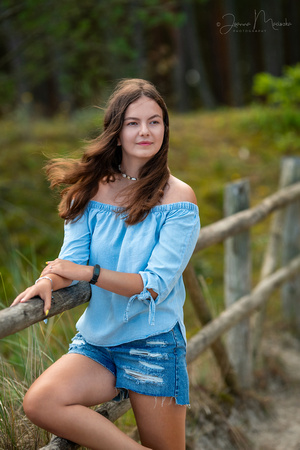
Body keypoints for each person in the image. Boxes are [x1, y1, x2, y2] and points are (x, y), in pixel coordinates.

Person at [11, 78, 200, 450]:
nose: (145, 131)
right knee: (40, 401)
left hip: (154, 343)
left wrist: (89, 274)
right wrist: (50, 279)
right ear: (116, 132)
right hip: (98, 343)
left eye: (154, 121)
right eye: (133, 123)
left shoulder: (178, 198)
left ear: (165, 128)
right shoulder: (90, 190)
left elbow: (153, 283)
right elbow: (71, 258)